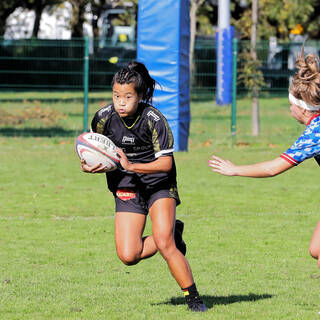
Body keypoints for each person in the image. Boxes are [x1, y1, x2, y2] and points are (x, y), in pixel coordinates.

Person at [80, 61, 207, 312]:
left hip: (158, 184)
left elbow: (165, 164)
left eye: (128, 96)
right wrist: (90, 164)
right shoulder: (103, 119)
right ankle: (175, 231)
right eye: (116, 96)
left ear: (140, 96)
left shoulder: (154, 119)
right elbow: (98, 151)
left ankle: (193, 298)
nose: (121, 102)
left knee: (164, 242)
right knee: (129, 255)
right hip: (126, 185)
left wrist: (132, 165)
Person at [208, 48, 320, 268]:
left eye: (291, 106)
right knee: (316, 249)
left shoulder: (315, 132)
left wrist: (235, 169)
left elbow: (273, 168)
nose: (290, 110)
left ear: (301, 108)